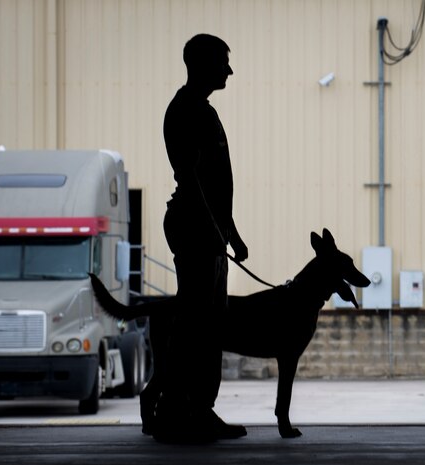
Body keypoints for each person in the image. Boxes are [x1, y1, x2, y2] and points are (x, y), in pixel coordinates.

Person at [154, 33, 248, 444]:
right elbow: (192, 181)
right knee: (196, 326)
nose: (228, 70)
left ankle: (195, 409)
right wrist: (215, 230)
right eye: (222, 62)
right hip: (194, 228)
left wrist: (231, 232)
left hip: (206, 228)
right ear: (201, 63)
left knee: (209, 324)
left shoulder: (202, 111)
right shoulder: (186, 112)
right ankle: (177, 411)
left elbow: (214, 185)